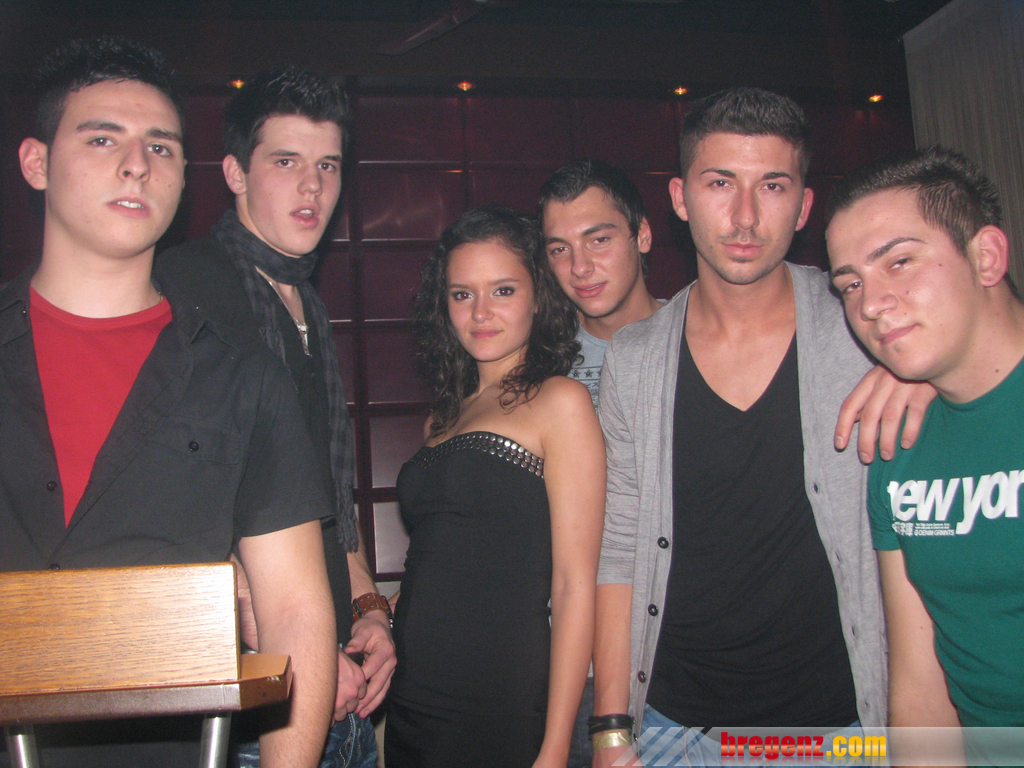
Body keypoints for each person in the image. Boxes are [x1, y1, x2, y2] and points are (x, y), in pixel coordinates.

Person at [0, 37, 335, 768]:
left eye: (161, 147)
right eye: (102, 138)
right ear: (35, 163)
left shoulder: (243, 378)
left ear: (184, 177)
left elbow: (294, 608)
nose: (137, 164)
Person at [590, 87, 937, 767]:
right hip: (669, 729)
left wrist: (928, 370)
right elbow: (620, 548)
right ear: (681, 198)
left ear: (804, 206)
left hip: (835, 732)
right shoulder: (634, 359)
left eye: (772, 185)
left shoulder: (864, 327)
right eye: (720, 183)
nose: (745, 216)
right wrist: (610, 729)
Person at [156, 66, 394, 768]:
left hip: (334, 678)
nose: (312, 187)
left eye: (328, 165)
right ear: (235, 172)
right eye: (286, 162)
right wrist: (293, 652)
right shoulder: (185, 284)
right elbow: (176, 507)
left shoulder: (305, 299)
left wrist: (370, 612)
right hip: (255, 698)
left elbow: (321, 499)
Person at [384, 207, 604, 768]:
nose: (480, 312)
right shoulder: (442, 419)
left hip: (498, 695)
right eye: (462, 294)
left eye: (502, 290)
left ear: (538, 297)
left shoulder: (560, 402)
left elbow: (575, 585)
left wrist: (555, 748)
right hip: (413, 695)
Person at [827, 148, 1024, 748]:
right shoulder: (897, 445)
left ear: (986, 257)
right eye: (851, 284)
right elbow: (918, 686)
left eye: (899, 262)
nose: (869, 304)